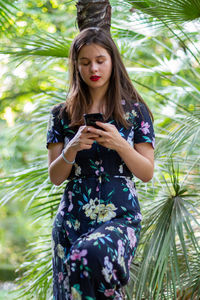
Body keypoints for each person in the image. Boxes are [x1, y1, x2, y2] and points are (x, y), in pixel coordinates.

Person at [47, 27, 155, 300]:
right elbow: (55, 177)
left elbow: (146, 172)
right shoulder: (61, 115)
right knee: (73, 293)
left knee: (88, 255)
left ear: (112, 61)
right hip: (71, 219)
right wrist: (71, 148)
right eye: (85, 62)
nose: (93, 68)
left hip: (121, 216)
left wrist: (120, 143)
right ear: (76, 66)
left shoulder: (136, 111)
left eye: (100, 60)